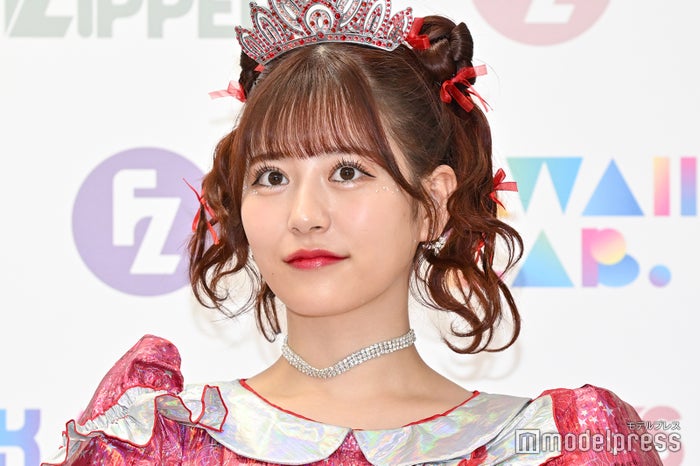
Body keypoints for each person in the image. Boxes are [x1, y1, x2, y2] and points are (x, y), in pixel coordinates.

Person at [43, 1, 663, 465]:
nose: (304, 214)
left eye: (347, 172)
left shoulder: (551, 448)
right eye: (271, 177)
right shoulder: (156, 444)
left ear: (433, 202)